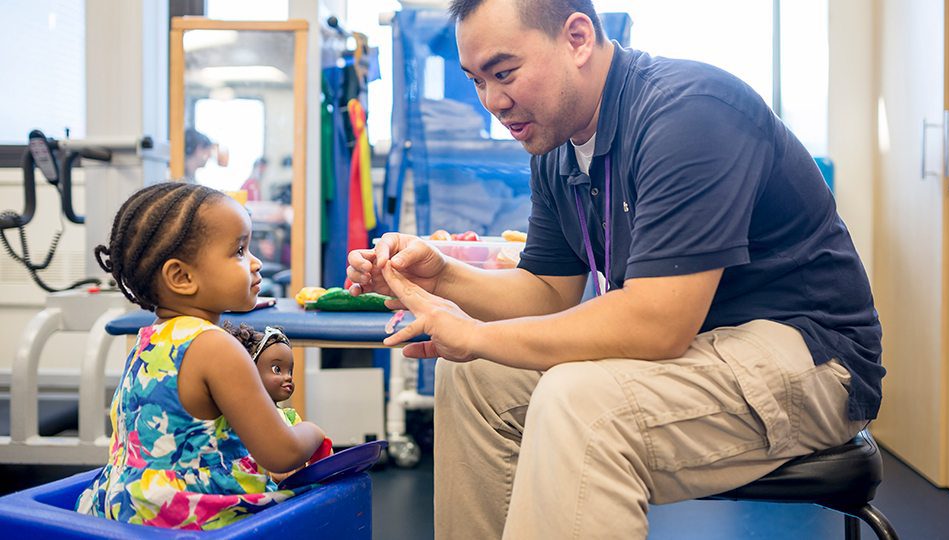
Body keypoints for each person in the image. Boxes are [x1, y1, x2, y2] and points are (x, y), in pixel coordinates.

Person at [346, 1, 883, 538]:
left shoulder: (690, 111)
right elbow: (547, 291)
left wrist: (474, 332)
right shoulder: (557, 149)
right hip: (699, 348)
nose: (494, 102)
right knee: (471, 375)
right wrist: (442, 278)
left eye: (504, 73)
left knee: (581, 403)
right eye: (477, 81)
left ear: (577, 38)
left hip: (810, 357)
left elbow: (656, 323)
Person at [77, 182, 327, 530]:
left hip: (124, 508)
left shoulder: (149, 340)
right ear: (181, 277)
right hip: (191, 517)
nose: (255, 263)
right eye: (239, 251)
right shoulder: (215, 346)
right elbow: (281, 453)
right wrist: (310, 431)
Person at [221, 322, 331, 483]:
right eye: (277, 369)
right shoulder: (242, 418)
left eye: (290, 371)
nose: (288, 377)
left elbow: (300, 452)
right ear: (249, 371)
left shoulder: (291, 418)